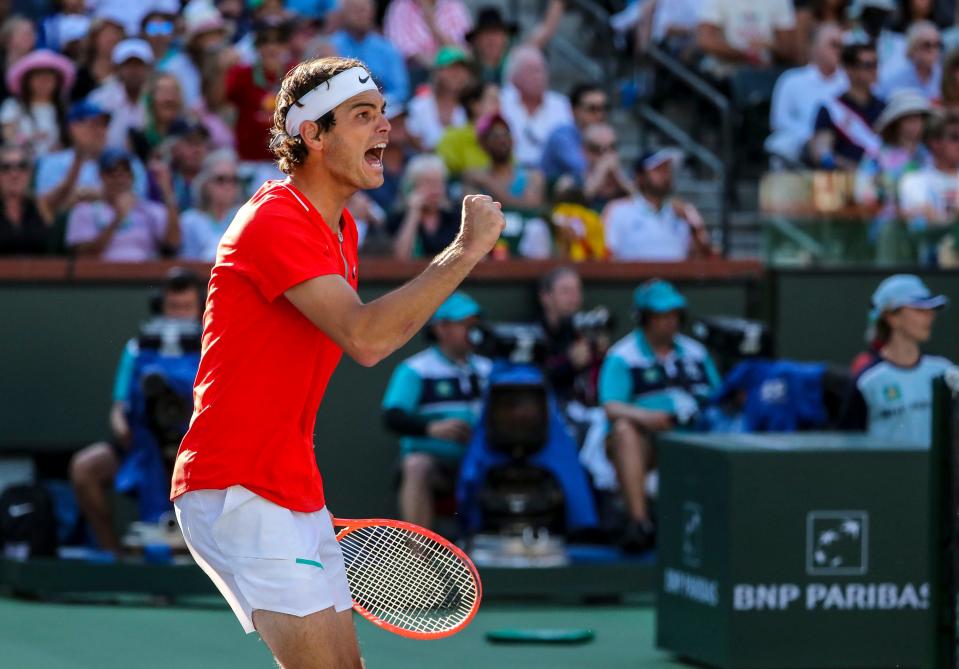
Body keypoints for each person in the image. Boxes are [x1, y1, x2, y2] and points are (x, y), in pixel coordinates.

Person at [169, 56, 504, 665]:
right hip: (239, 483)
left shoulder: (341, 229)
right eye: (361, 115)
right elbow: (368, 338)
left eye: (382, 114)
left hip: (292, 483)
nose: (384, 128)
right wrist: (465, 251)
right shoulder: (273, 219)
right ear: (313, 136)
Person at [70, 268, 204, 554]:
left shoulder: (210, 346)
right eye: (173, 306)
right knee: (85, 469)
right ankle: (114, 555)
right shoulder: (136, 349)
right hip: (140, 444)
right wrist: (122, 426)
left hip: (193, 450)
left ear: (199, 308)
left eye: (187, 307)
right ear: (160, 305)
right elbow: (120, 407)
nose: (179, 313)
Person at [598, 280, 721, 551]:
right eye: (661, 316)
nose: (670, 322)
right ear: (644, 318)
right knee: (623, 430)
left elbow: (718, 396)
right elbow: (611, 406)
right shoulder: (623, 355)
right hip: (650, 441)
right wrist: (647, 417)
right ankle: (640, 523)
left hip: (696, 438)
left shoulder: (696, 353)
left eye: (674, 315)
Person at [381, 292, 491, 528]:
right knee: (415, 465)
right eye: (464, 324)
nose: (472, 331)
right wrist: (433, 428)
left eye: (475, 325)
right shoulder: (416, 369)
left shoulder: (488, 369)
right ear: (441, 328)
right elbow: (392, 417)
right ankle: (418, 555)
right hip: (440, 464)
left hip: (485, 458)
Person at [839, 274, 953, 445]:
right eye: (919, 309)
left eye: (931, 310)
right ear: (892, 317)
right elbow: (849, 446)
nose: (930, 316)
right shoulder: (867, 381)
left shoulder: (945, 372)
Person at [65, 147, 181, 261]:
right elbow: (83, 256)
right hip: (100, 277)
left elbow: (173, 242)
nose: (120, 180)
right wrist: (117, 219)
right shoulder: (84, 210)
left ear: (132, 177)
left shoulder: (149, 210)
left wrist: (167, 193)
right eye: (112, 173)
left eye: (126, 173)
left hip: (145, 275)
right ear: (101, 176)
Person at [854, 89, 931, 256]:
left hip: (926, 229)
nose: (916, 125)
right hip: (888, 228)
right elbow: (863, 192)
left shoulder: (928, 155)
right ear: (896, 123)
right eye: (909, 119)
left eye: (919, 118)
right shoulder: (877, 155)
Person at [462, 112, 550, 258]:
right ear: (483, 144)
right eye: (495, 136)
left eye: (505, 135)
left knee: (538, 228)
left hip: (527, 245)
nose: (502, 140)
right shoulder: (472, 176)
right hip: (489, 246)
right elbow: (472, 214)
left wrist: (488, 183)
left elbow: (530, 206)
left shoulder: (532, 176)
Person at [604, 149, 714, 261]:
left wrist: (692, 223)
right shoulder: (618, 210)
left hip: (677, 278)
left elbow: (703, 258)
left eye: (667, 170)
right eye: (657, 170)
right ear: (640, 176)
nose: (664, 175)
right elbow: (608, 255)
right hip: (630, 278)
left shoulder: (683, 211)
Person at [764, 23, 848, 166]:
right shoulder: (791, 79)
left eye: (843, 47)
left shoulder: (849, 82)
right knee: (778, 145)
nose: (839, 51)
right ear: (815, 47)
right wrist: (809, 136)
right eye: (834, 45)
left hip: (840, 143)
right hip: (800, 144)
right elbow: (779, 121)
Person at [809, 40, 886, 170]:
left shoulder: (884, 107)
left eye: (876, 64)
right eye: (868, 65)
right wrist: (852, 168)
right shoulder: (830, 108)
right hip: (845, 179)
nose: (874, 70)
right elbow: (822, 152)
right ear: (850, 70)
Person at [896, 112, 959, 265]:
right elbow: (923, 227)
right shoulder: (914, 181)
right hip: (932, 267)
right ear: (935, 143)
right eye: (955, 137)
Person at [499, 45, 573, 167]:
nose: (538, 76)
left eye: (541, 70)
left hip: (551, 173)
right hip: (509, 171)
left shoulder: (562, 104)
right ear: (513, 76)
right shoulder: (500, 102)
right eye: (530, 71)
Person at [330, 0, 410, 104]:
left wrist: (375, 102)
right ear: (344, 14)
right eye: (357, 10)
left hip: (384, 110)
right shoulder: (331, 47)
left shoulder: (387, 48)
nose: (363, 15)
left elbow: (401, 92)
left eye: (366, 10)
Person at [1, 49, 76, 157]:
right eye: (38, 77)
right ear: (27, 81)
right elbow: (9, 138)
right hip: (21, 168)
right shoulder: (12, 106)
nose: (43, 82)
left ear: (57, 81)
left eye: (49, 77)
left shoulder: (66, 110)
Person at [696, 0, 798, 79]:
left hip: (767, 72)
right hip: (723, 74)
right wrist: (745, 54)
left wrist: (768, 47)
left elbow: (788, 48)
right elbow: (705, 41)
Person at [389, 153, 461, 259]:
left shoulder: (455, 216)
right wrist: (413, 212)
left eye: (439, 183)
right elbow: (401, 257)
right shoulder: (398, 218)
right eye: (428, 183)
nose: (435, 189)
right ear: (412, 186)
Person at [89, 38, 155, 152]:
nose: (134, 71)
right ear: (117, 68)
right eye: (128, 65)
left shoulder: (156, 99)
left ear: (148, 69)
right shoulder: (99, 99)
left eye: (139, 65)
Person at [179, 148, 242, 261]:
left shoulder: (245, 218)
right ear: (206, 184)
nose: (228, 186)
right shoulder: (190, 220)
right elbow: (186, 261)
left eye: (233, 180)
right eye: (220, 179)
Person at [540, 83, 608, 186]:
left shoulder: (603, 136)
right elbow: (582, 169)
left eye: (603, 108)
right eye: (592, 109)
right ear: (574, 110)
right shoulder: (561, 136)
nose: (600, 115)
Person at [405, 46, 472, 150]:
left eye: (461, 69)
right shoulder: (419, 105)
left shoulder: (470, 106)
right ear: (437, 72)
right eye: (451, 68)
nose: (457, 74)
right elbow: (414, 141)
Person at [435, 79, 499, 178]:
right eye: (494, 100)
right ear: (475, 106)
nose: (500, 106)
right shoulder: (451, 137)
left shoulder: (503, 137)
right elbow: (447, 175)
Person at [0, 144, 54, 255]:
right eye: (5, 167)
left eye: (22, 166)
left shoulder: (42, 207)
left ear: (30, 173)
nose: (14, 174)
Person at [878, 20, 942, 100]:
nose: (933, 50)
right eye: (927, 45)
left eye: (937, 45)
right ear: (912, 48)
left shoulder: (944, 76)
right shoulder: (896, 78)